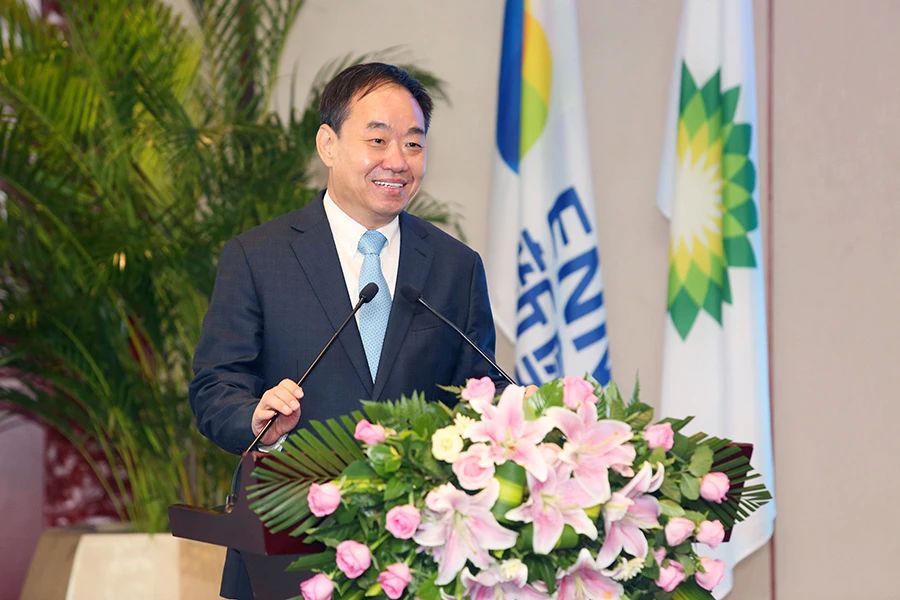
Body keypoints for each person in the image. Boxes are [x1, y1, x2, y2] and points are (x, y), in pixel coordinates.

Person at [189, 62, 504, 600]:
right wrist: (257, 419)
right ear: (328, 144)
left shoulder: (456, 267)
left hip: (420, 555)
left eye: (413, 144)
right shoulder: (258, 257)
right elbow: (214, 387)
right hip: (285, 545)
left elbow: (481, 391)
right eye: (377, 140)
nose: (397, 161)